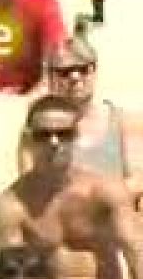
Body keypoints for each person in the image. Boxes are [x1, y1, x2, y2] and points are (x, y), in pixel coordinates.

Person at [0, 94, 142, 279]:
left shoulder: (105, 192)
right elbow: (10, 278)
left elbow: (136, 251)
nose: (54, 143)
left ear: (76, 136)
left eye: (64, 134)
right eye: (44, 135)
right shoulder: (12, 207)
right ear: (29, 140)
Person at [39, 34, 143, 205]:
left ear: (94, 71)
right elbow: (31, 187)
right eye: (64, 72)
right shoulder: (40, 130)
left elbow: (138, 181)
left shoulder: (125, 122)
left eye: (83, 69)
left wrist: (95, 203)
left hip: (114, 219)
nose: (75, 77)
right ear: (51, 78)